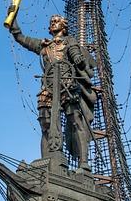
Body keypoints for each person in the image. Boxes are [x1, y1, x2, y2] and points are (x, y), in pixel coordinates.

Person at [8, 13, 96, 168]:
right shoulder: (44, 46)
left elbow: (75, 55)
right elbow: (21, 38)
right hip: (48, 87)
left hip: (67, 85)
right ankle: (47, 160)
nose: (53, 23)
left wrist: (78, 60)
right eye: (51, 22)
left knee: (75, 120)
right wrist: (12, 20)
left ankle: (83, 163)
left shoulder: (69, 41)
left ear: (63, 25)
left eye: (56, 21)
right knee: (45, 123)